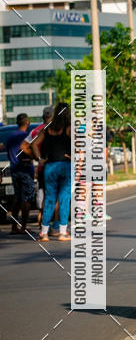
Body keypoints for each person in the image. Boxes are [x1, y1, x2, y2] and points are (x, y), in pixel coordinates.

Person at [32, 102, 72, 242]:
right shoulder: (69, 128)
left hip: (49, 167)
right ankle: (62, 232)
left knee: (49, 199)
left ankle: (44, 233)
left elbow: (34, 144)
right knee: (64, 199)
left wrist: (40, 159)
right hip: (65, 166)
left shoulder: (47, 128)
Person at [20, 105, 59, 232]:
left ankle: (44, 227)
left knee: (44, 197)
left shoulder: (35, 131)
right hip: (53, 166)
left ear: (43, 117)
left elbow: (23, 146)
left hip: (41, 168)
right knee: (55, 197)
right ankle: (55, 227)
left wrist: (37, 158)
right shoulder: (56, 129)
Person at [6, 113, 36, 235]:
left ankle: (14, 226)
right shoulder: (26, 137)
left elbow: (8, 153)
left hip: (14, 170)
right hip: (25, 170)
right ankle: (23, 227)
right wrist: (34, 157)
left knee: (17, 199)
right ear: (28, 122)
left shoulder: (10, 137)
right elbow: (30, 150)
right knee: (26, 199)